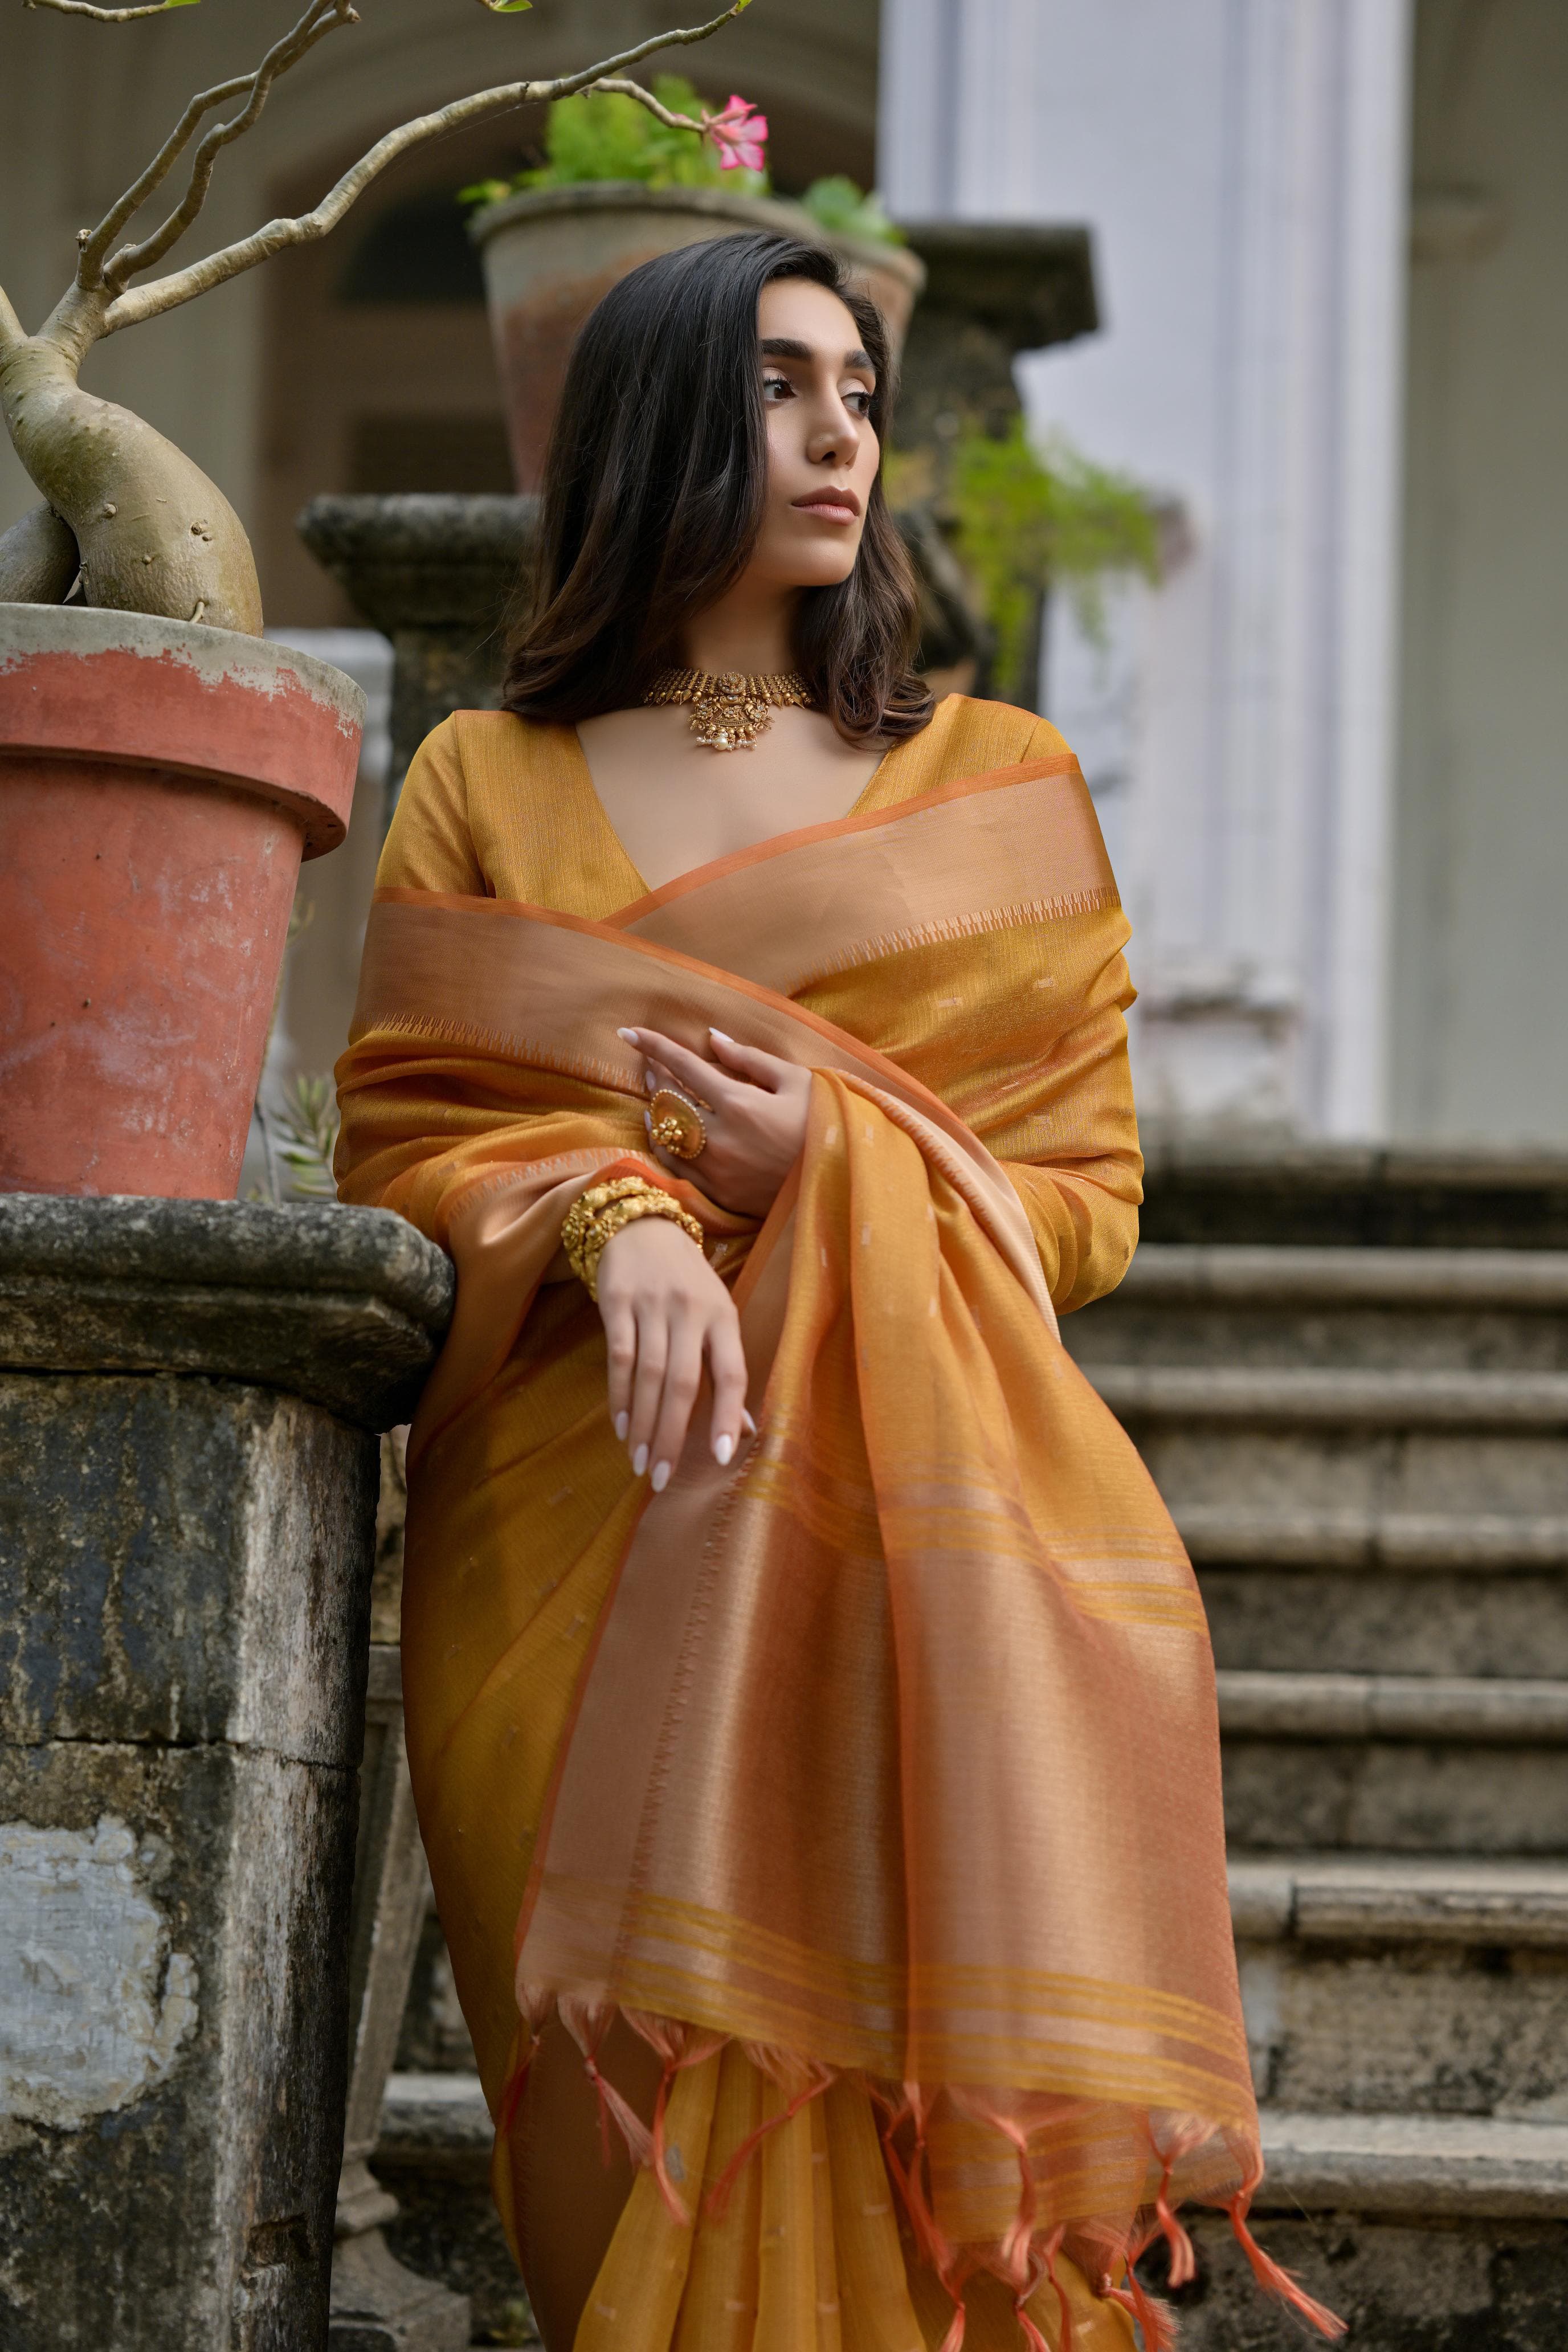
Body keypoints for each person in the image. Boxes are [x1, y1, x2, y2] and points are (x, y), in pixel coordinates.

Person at [336, 232, 1339, 2352]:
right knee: (617, 2123)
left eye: (860, 393)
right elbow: (405, 1141)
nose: (837, 435)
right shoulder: (481, 781)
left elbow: (1086, 1198)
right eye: (780, 385)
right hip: (568, 1515)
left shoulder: (994, 787)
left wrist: (840, 1159)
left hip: (885, 1524)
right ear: (654, 423)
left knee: (869, 2107)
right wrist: (614, 1216)